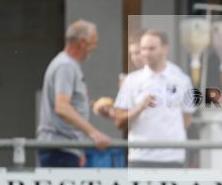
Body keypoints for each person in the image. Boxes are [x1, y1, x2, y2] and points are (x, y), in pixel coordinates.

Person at [113, 30, 195, 168]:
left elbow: (187, 118)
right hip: (140, 156)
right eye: (143, 49)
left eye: (151, 48)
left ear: (165, 49)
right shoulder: (132, 80)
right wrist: (140, 106)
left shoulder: (182, 79)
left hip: (173, 157)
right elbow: (119, 121)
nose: (146, 53)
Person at [36, 20, 111, 167]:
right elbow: (62, 107)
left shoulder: (68, 65)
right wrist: (93, 133)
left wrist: (78, 149)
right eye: (94, 42)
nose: (95, 47)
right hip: (58, 149)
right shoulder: (66, 66)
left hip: (66, 148)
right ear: (82, 42)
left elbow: (72, 105)